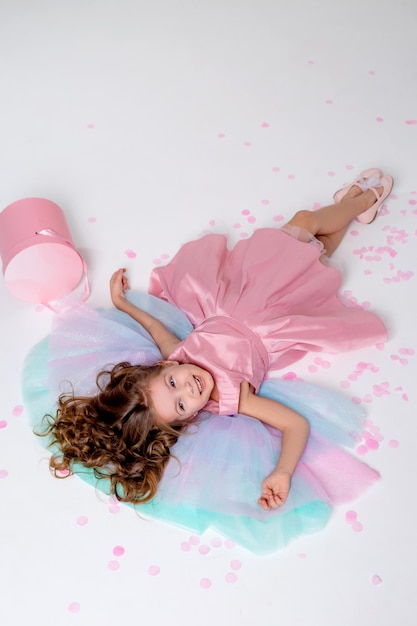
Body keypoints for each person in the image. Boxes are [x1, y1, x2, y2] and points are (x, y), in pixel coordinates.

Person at [29, 168, 392, 553]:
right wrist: (282, 471)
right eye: (183, 403)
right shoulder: (232, 397)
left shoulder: (178, 355)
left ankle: (353, 204)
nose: (189, 386)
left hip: (238, 294)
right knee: (313, 248)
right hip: (273, 319)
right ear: (189, 418)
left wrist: (123, 304)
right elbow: (295, 424)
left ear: (164, 367)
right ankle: (364, 201)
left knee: (304, 230)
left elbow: (154, 326)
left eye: (173, 383)